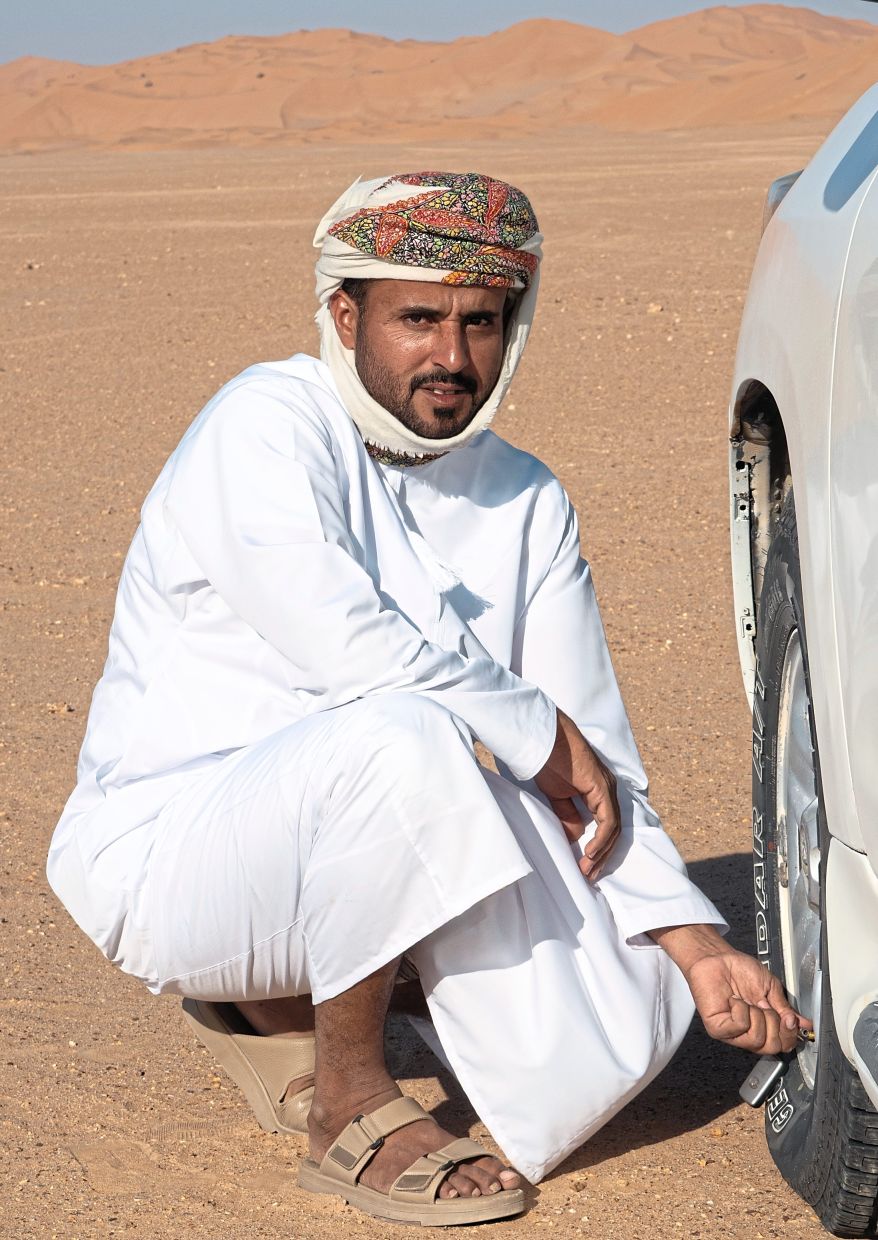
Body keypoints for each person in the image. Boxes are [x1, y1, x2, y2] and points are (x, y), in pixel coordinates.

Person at [47, 171, 807, 1228]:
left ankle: (276, 998)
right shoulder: (263, 425)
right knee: (403, 736)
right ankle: (350, 1098)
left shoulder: (525, 497)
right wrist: (535, 735)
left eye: (480, 321)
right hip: (174, 854)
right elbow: (357, 651)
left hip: (325, 847)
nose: (452, 357)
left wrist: (689, 935)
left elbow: (595, 762)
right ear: (343, 314)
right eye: (417, 318)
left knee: (614, 999)